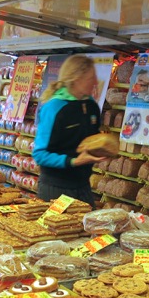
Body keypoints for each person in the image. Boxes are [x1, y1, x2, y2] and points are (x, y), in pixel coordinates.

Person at [33, 55, 105, 205]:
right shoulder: (54, 108)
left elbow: (90, 140)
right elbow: (40, 155)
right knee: (55, 228)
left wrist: (102, 149)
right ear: (76, 78)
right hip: (56, 187)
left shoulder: (91, 105)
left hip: (83, 185)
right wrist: (73, 161)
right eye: (90, 78)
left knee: (87, 228)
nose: (94, 82)